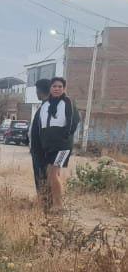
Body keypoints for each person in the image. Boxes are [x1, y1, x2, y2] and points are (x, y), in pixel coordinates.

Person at [38, 76, 80, 213]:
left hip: (62, 146)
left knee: (52, 174)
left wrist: (64, 138)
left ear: (64, 88)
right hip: (49, 146)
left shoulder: (67, 102)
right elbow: (41, 125)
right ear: (50, 88)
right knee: (51, 173)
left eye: (60, 86)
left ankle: (59, 205)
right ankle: (54, 201)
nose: (57, 89)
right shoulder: (45, 105)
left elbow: (74, 121)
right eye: (54, 86)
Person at [29, 78, 52, 204]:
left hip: (42, 152)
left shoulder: (47, 107)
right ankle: (43, 201)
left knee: (42, 177)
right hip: (39, 151)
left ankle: (45, 203)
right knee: (41, 177)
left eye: (36, 91)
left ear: (39, 91)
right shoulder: (45, 105)